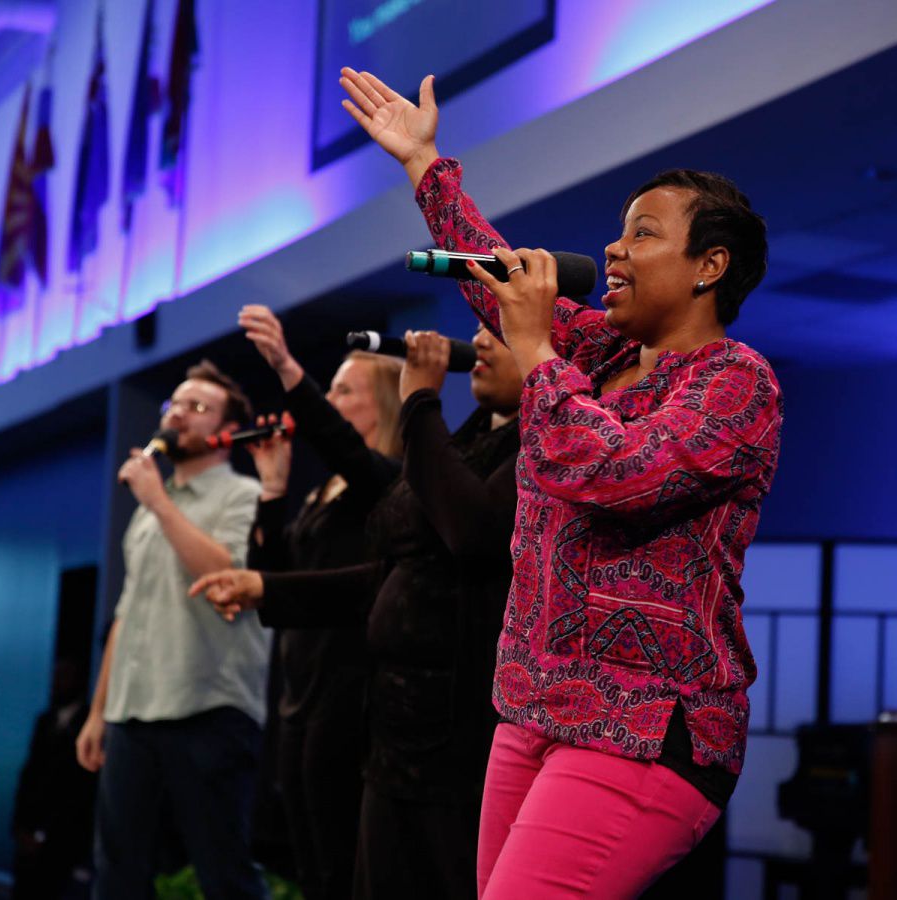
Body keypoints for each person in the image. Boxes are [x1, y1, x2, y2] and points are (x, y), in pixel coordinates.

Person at [340, 68, 783, 898]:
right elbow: (496, 283)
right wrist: (424, 164)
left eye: (643, 234)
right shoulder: (603, 355)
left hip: (644, 726)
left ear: (709, 265)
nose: (614, 249)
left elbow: (613, 477)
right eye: (619, 232)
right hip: (533, 711)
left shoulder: (734, 383)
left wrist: (539, 352)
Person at [192, 325, 524, 899]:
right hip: (380, 721)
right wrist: (265, 584)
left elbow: (468, 532)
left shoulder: (500, 448)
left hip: (439, 725)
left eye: (499, 329)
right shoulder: (466, 439)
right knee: (334, 870)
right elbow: (389, 578)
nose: (479, 341)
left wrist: (416, 398)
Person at [74, 360, 268, 900]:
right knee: (116, 872)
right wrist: (98, 711)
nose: (179, 414)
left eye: (198, 407)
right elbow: (128, 613)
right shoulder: (147, 512)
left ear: (226, 432)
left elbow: (228, 577)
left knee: (224, 872)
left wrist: (157, 501)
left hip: (208, 705)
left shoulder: (244, 495)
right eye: (174, 404)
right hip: (132, 709)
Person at [238, 303, 403, 900]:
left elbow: (343, 448)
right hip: (299, 692)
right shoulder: (324, 492)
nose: (329, 401)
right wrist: (273, 490)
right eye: (327, 389)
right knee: (307, 863)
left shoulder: (387, 481)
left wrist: (287, 368)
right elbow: (274, 584)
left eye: (343, 390)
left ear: (383, 403)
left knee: (338, 864)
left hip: (348, 691)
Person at [11, 659, 97, 899]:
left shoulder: (90, 724)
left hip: (67, 835)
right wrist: (20, 825)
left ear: (80, 681)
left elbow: (81, 788)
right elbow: (30, 774)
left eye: (64, 676)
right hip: (31, 825)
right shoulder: (45, 720)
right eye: (55, 676)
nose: (56, 682)